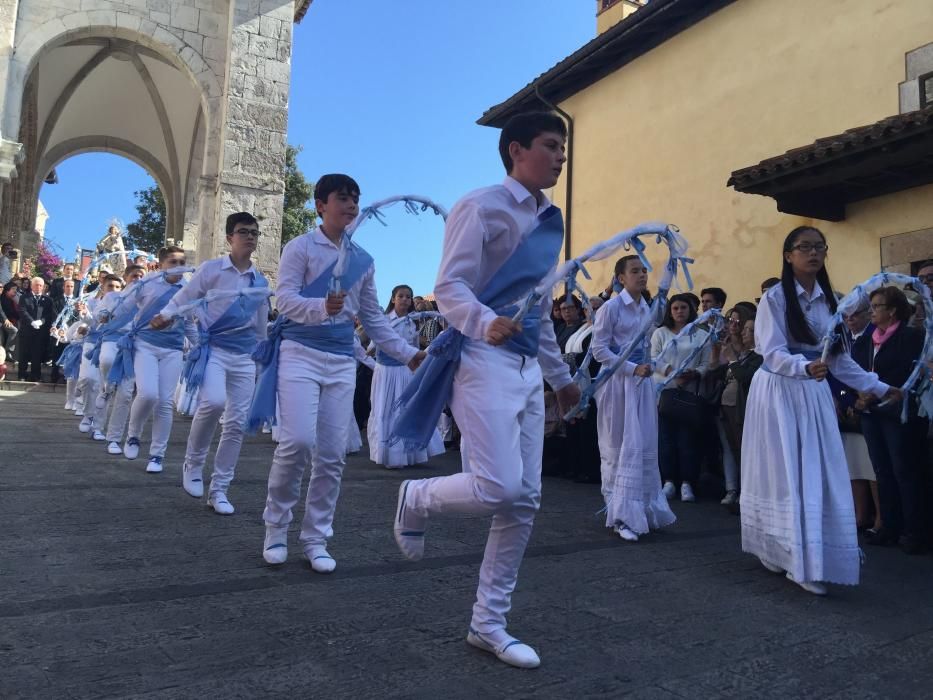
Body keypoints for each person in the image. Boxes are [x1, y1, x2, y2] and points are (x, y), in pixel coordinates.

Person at [391, 112, 579, 669]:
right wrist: (480, 321)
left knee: (524, 500)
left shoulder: (551, 220)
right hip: (479, 359)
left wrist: (561, 378)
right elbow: (449, 285)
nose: (561, 156)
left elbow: (539, 310)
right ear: (517, 149)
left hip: (523, 367)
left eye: (564, 146)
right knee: (498, 488)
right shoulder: (481, 205)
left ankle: (488, 624)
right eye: (551, 145)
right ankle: (416, 497)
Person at [257, 174, 424, 574]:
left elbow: (373, 319)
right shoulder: (300, 247)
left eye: (355, 200)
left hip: (340, 362)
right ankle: (275, 528)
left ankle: (316, 537)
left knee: (332, 456)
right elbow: (285, 299)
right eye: (342, 199)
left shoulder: (363, 260)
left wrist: (407, 354)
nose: (350, 206)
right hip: (299, 353)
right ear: (320, 205)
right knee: (295, 442)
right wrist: (321, 308)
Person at [740, 226, 900, 596]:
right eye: (804, 247)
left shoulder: (831, 301)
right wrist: (803, 367)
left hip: (811, 392)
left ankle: (806, 554)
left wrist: (878, 387)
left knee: (812, 471)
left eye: (819, 247)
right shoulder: (775, 298)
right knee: (782, 472)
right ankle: (779, 549)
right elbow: (772, 351)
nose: (813, 253)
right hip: (780, 390)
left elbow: (839, 359)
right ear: (788, 255)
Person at [154, 213, 269, 515]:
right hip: (214, 350)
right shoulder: (213, 269)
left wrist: (261, 357)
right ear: (230, 237)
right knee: (214, 402)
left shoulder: (260, 281)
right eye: (244, 232)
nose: (250, 237)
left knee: (235, 424)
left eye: (255, 233)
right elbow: (186, 296)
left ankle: (220, 489)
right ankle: (193, 462)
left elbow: (259, 326)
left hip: (244, 357)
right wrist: (166, 314)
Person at [854, 287, 928, 554]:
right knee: (881, 470)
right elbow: (854, 369)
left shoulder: (911, 337)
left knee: (904, 471)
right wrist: (857, 396)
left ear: (892, 310)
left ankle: (913, 530)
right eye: (871, 306)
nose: (872, 311)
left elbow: (910, 371)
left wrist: (876, 392)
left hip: (897, 412)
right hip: (870, 412)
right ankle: (889, 525)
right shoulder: (865, 340)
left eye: (877, 306)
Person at [116, 246, 195, 472]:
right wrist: (107, 318)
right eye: (173, 262)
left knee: (165, 402)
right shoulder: (147, 283)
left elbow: (189, 323)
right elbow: (124, 307)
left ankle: (157, 454)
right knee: (148, 394)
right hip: (145, 345)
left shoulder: (187, 289)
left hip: (173, 349)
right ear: (161, 264)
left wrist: (199, 346)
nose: (179, 266)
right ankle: (133, 435)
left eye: (182, 262)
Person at [367, 284, 444, 468]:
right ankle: (388, 455)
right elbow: (373, 347)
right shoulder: (384, 321)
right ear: (393, 299)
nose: (405, 300)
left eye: (408, 297)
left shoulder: (411, 323)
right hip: (386, 372)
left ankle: (410, 454)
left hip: (405, 371)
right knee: (386, 410)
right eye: (401, 296)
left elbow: (414, 348)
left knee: (405, 409)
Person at [651, 293, 711, 503]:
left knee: (687, 441)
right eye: (675, 308)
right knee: (666, 440)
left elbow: (706, 363)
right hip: (665, 391)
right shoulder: (660, 333)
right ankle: (668, 481)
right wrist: (670, 371)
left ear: (690, 310)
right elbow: (653, 358)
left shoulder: (701, 334)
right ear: (670, 311)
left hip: (690, 393)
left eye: (683, 308)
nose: (679, 312)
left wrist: (694, 373)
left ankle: (687, 482)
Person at [91, 265, 146, 453]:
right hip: (112, 339)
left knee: (125, 394)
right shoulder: (113, 296)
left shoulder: (148, 298)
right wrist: (103, 316)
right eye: (134, 275)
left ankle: (114, 438)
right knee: (106, 361)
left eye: (141, 275)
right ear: (125, 278)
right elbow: (98, 312)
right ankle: (106, 390)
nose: (137, 279)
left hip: (133, 345)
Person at [717, 306, 761, 508]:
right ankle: (740, 492)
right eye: (731, 321)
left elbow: (745, 377)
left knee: (747, 452)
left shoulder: (758, 355)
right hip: (727, 404)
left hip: (743, 407)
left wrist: (732, 359)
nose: (740, 330)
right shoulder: (741, 351)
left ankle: (749, 495)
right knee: (734, 450)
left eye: (746, 329)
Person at [17, 277, 55, 381]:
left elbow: (49, 315)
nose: (38, 287)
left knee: (37, 354)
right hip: (27, 331)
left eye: (40, 285)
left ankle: (35, 375)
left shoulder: (48, 300)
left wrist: (41, 321)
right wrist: (31, 321)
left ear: (43, 287)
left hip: (40, 332)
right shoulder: (24, 297)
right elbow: (22, 311)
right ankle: (22, 375)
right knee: (24, 354)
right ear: (31, 286)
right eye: (36, 285)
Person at [1, 280, 20, 362]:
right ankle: (7, 352)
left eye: (16, 289)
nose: (15, 291)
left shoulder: (10, 300)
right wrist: (5, 319)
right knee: (14, 330)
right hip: (3, 321)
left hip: (6, 321)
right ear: (7, 289)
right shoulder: (3, 298)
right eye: (13, 289)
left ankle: (7, 353)